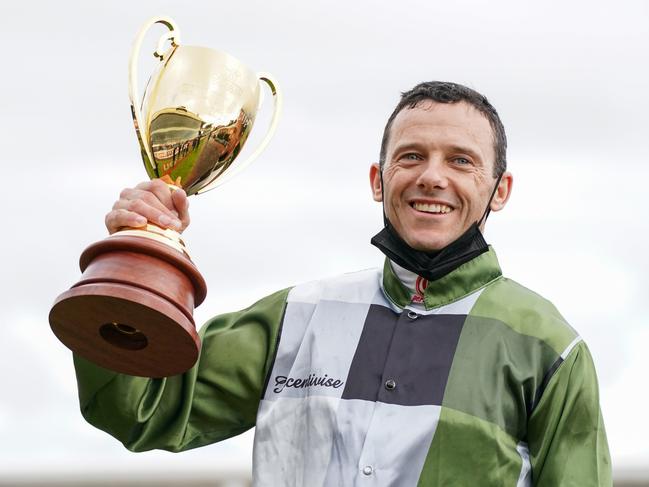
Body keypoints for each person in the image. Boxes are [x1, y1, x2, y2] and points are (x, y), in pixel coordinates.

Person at [75, 81, 612, 486]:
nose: (431, 176)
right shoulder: (294, 316)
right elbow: (139, 411)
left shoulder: (552, 350)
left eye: (461, 161)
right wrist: (131, 256)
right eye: (411, 156)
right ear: (379, 180)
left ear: (500, 190)